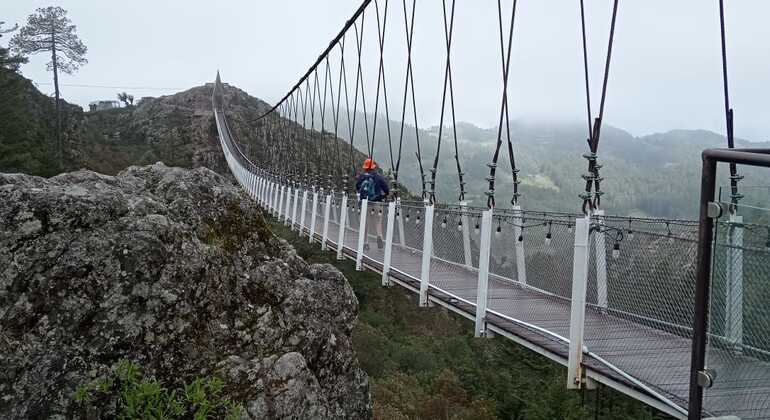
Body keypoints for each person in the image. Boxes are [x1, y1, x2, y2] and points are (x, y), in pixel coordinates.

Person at [355, 158, 390, 249]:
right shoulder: (378, 176)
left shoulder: (362, 176)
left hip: (365, 203)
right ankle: (379, 236)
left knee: (365, 222)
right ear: (373, 167)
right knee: (378, 221)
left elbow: (358, 188)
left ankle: (366, 243)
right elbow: (386, 189)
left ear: (365, 167)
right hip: (377, 202)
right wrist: (384, 195)